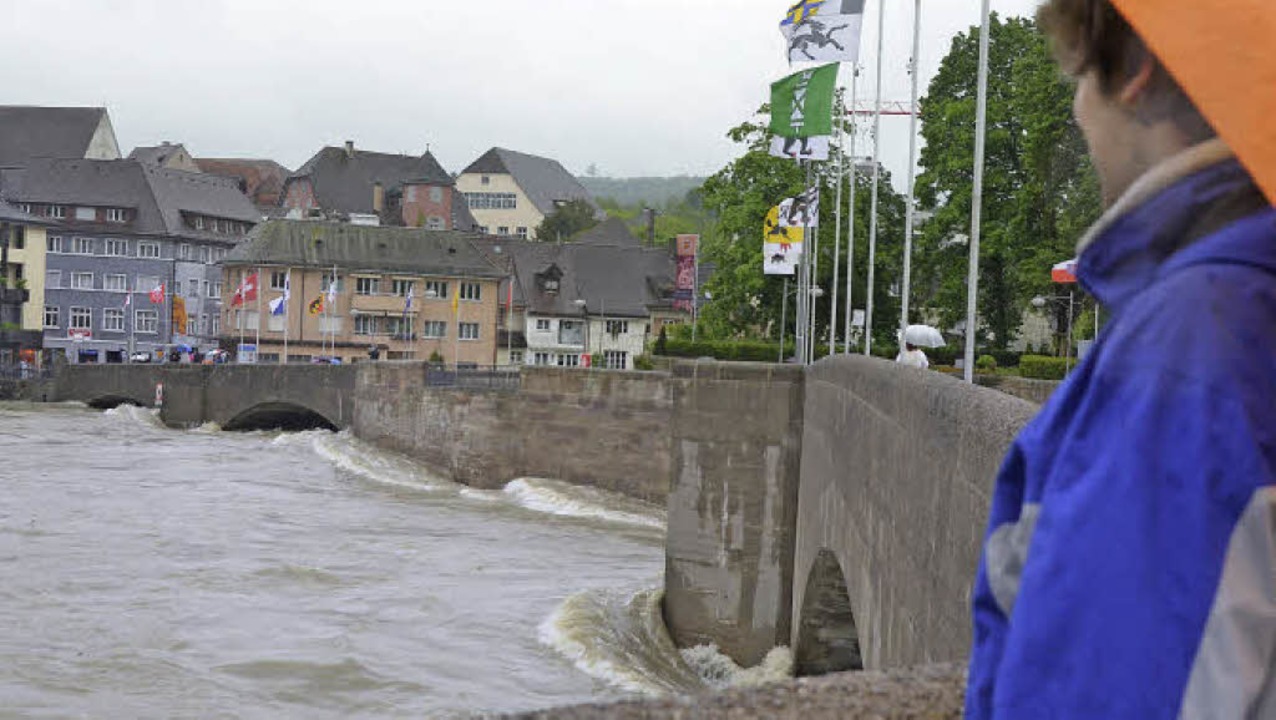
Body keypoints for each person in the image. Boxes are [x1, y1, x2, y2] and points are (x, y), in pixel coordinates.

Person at [966, 2, 1276, 718]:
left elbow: (1097, 687)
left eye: (1078, 75)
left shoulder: (1197, 344)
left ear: (1135, 67)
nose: (1077, 110)